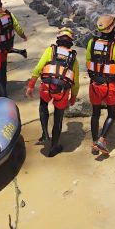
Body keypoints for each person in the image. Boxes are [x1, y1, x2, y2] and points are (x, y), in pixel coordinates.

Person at [25, 27, 80, 157]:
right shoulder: (73, 58)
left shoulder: (51, 50)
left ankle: (45, 133)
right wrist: (73, 97)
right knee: (58, 119)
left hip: (47, 87)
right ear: (71, 41)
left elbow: (38, 68)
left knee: (43, 105)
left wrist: (31, 85)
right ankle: (54, 147)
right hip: (62, 91)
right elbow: (75, 81)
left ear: (58, 40)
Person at [86, 15, 115, 156]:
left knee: (95, 113)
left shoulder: (91, 42)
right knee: (112, 113)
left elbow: (88, 61)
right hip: (109, 85)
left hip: (94, 84)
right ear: (113, 28)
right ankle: (102, 139)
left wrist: (95, 76)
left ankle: (94, 143)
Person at [0, 0, 28, 95]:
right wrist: (23, 36)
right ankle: (3, 90)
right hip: (7, 46)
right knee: (3, 71)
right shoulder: (9, 14)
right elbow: (17, 27)